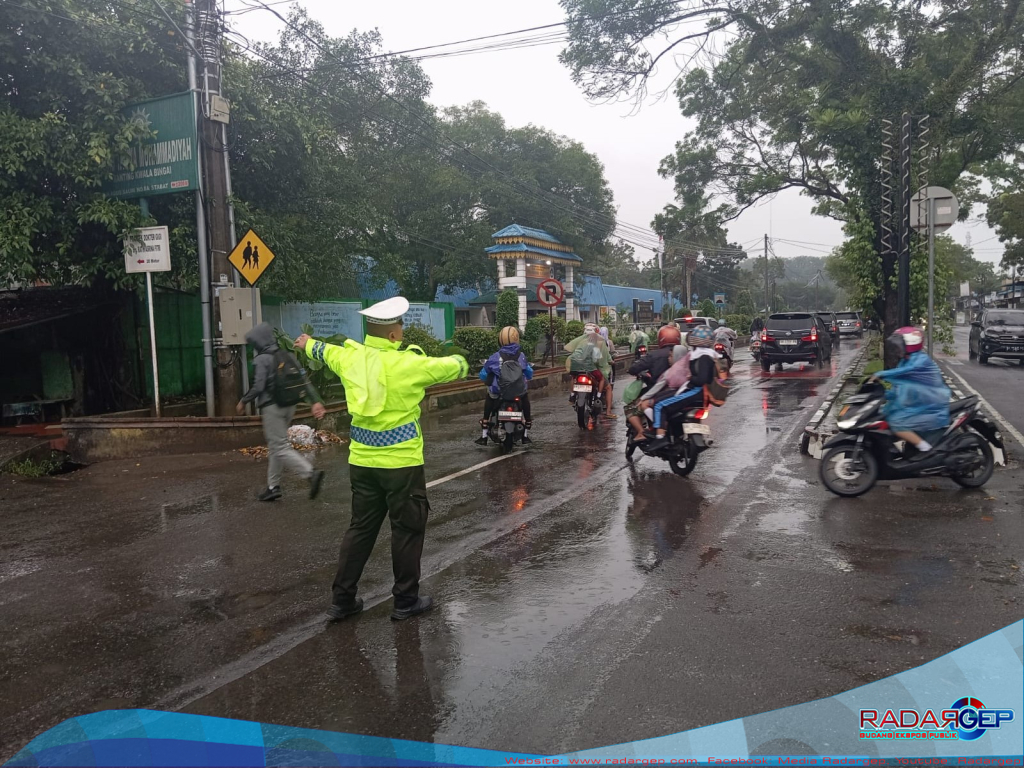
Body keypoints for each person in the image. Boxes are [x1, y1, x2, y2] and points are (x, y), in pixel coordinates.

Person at [294, 297, 469, 621]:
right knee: (406, 530)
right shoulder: (409, 364)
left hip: (361, 463)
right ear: (393, 334)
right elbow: (456, 367)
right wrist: (460, 360)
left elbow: (321, 350)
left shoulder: (349, 357)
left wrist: (306, 343)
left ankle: (342, 600)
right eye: (400, 325)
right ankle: (405, 600)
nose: (401, 329)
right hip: (401, 466)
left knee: (360, 529)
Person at [237, 322, 326, 502]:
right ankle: (273, 487)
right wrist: (314, 400)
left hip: (272, 407)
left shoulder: (262, 359)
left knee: (279, 446)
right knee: (276, 446)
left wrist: (244, 400)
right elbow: (302, 379)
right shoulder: (286, 354)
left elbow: (259, 385)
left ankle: (310, 473)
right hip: (289, 406)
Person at [872, 326, 951, 459]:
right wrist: (880, 396)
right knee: (881, 417)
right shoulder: (905, 361)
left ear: (910, 344)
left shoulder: (920, 360)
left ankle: (926, 449)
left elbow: (904, 372)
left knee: (897, 423)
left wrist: (881, 374)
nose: (897, 349)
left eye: (899, 346)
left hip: (930, 407)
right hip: (916, 406)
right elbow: (898, 387)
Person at [643, 326, 721, 452]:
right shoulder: (702, 355)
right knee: (658, 399)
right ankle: (668, 430)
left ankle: (660, 437)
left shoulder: (704, 357)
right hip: (694, 391)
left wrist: (691, 378)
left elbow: (702, 379)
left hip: (695, 392)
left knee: (660, 405)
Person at [475, 326, 534, 445]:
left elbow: (483, 375)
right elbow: (529, 373)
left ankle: (484, 431)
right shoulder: (521, 356)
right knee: (525, 399)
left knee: (490, 397)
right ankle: (526, 429)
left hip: (499, 392)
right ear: (517, 339)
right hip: (518, 392)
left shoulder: (495, 357)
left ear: (500, 340)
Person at [624, 325, 680, 441]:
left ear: (661, 338)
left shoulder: (654, 355)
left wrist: (632, 370)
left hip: (657, 394)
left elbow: (635, 368)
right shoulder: (686, 354)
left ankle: (641, 432)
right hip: (681, 394)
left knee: (630, 409)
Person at [564, 323, 615, 419]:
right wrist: (610, 362)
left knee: (573, 377)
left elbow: (572, 352)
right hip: (591, 369)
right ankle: (602, 403)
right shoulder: (599, 343)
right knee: (607, 386)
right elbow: (600, 358)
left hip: (576, 367)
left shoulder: (580, 342)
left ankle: (572, 395)